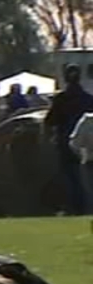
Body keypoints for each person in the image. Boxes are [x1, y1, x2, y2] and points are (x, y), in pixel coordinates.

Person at [45, 65, 93, 214]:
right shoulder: (88, 99)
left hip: (65, 141)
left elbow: (50, 121)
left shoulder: (60, 99)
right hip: (87, 143)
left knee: (70, 177)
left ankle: (75, 207)